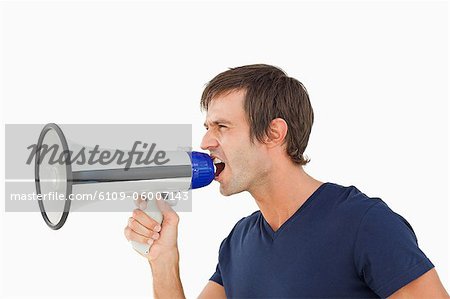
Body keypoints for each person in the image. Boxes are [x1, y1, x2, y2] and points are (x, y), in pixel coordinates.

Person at [124, 64, 449, 298]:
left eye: (221, 127)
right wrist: (163, 260)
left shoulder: (364, 223)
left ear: (273, 133)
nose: (206, 141)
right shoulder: (238, 242)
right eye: (207, 127)